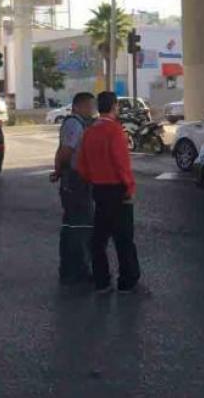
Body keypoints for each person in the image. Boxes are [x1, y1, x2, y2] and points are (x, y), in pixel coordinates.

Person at [78, 91, 141, 294]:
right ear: (115, 106)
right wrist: (129, 187)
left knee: (99, 239)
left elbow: (82, 165)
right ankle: (127, 281)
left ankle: (102, 281)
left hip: (99, 189)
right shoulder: (115, 131)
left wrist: (94, 179)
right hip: (118, 189)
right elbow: (122, 163)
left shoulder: (89, 131)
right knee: (123, 238)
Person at [50, 92, 96, 285]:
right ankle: (76, 271)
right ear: (77, 107)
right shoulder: (74, 124)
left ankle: (71, 269)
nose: (91, 110)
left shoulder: (81, 124)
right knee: (79, 226)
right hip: (76, 181)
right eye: (88, 106)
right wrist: (61, 170)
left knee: (73, 225)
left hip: (75, 179)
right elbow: (66, 151)